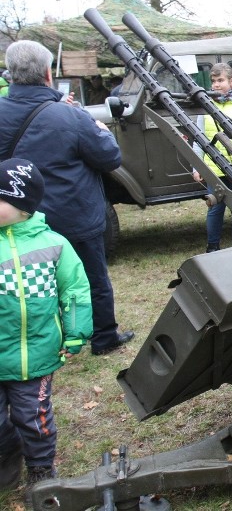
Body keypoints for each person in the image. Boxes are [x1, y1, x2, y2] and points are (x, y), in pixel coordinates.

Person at [0, 40, 133, 356]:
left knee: (28, 284)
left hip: (18, 217)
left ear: (10, 74)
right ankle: (103, 337)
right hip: (74, 214)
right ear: (48, 73)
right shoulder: (71, 116)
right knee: (92, 280)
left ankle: (44, 342)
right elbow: (110, 157)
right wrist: (99, 127)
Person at [0, 159, 93, 495]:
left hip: (36, 355)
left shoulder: (54, 245)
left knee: (33, 418)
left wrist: (75, 331)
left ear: (23, 205)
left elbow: (75, 291)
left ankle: (41, 466)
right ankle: (7, 456)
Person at [192, 62, 232, 253]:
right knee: (215, 209)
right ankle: (212, 247)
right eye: (213, 81)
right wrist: (197, 166)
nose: (216, 85)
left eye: (220, 80)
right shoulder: (206, 105)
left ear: (231, 81)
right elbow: (198, 136)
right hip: (214, 169)